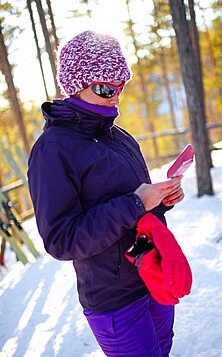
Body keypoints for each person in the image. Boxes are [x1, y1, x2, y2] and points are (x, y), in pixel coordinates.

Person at [28, 30, 186, 357]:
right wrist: (135, 203)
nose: (115, 96)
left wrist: (160, 201)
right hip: (114, 299)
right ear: (76, 87)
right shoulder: (52, 151)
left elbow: (137, 205)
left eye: (120, 86)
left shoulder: (121, 137)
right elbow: (61, 239)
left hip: (153, 275)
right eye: (105, 87)